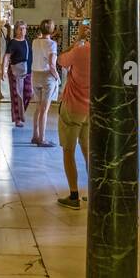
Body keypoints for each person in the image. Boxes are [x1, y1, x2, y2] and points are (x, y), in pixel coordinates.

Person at [56, 22, 91, 208]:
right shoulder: (101, 52)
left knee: (68, 151)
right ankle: (95, 192)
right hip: (90, 109)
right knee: (88, 151)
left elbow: (61, 60)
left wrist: (78, 39)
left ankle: (74, 195)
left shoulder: (80, 51)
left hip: (72, 108)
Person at [29, 19, 59, 147]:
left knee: (38, 108)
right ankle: (42, 139)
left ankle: (35, 136)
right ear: (52, 30)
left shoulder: (35, 42)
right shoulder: (52, 44)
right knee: (45, 110)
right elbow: (52, 65)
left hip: (35, 75)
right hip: (47, 76)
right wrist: (57, 76)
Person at [2, 20, 33, 127]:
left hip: (27, 71)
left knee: (28, 93)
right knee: (16, 95)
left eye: (24, 28)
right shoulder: (13, 42)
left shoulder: (27, 42)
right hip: (15, 72)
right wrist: (3, 70)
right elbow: (6, 56)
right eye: (20, 29)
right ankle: (17, 119)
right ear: (16, 30)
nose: (22, 31)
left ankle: (21, 112)